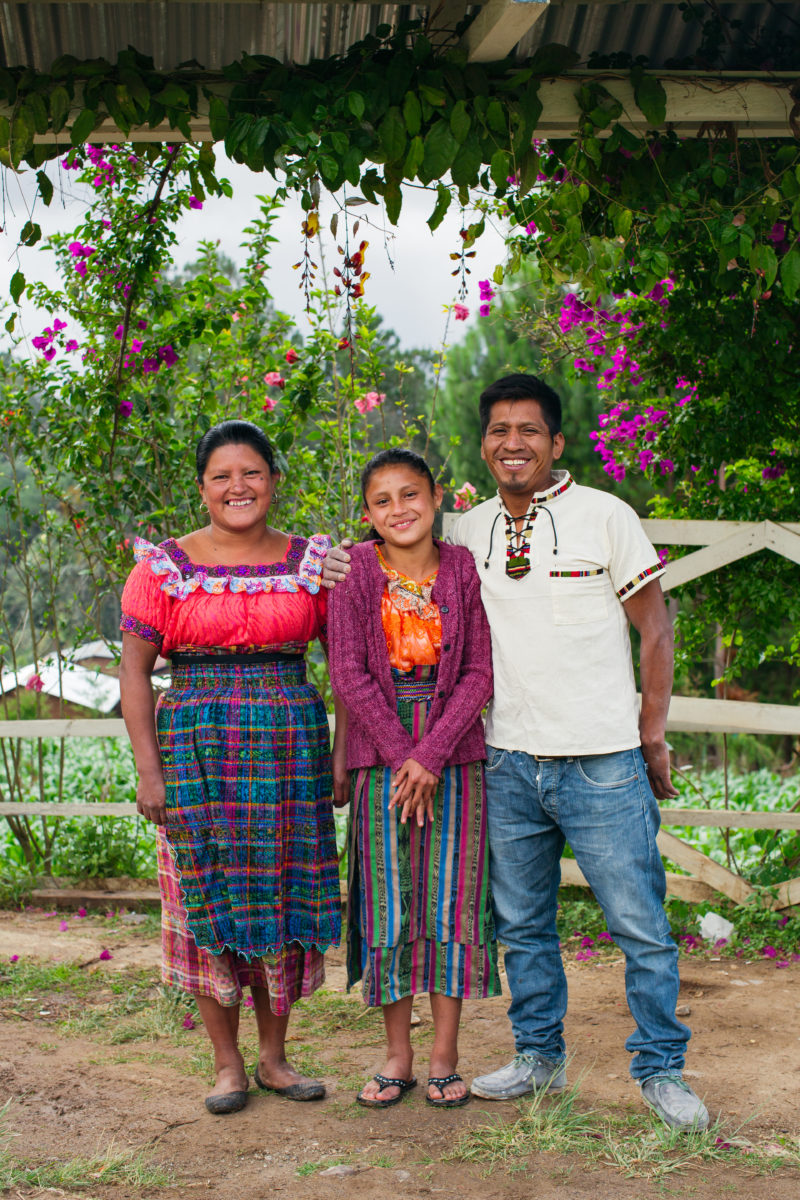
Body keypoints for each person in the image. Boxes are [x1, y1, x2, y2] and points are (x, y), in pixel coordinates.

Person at [323, 376, 709, 1131]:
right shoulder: (468, 531)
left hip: (601, 759)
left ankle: (661, 1070)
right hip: (504, 762)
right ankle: (538, 1056)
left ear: (556, 443)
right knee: (523, 926)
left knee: (639, 925)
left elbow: (656, 631)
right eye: (498, 430)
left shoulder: (606, 516)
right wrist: (337, 561)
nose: (513, 443)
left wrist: (651, 735)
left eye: (529, 430)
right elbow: (393, 548)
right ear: (482, 446)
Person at [119, 420, 342, 1115]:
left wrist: (339, 757)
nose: (237, 487)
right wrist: (149, 771)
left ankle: (275, 1059)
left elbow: (351, 665)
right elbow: (132, 679)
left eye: (251, 472)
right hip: (194, 749)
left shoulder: (314, 565)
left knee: (282, 896)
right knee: (202, 898)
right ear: (203, 487)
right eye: (222, 475)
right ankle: (226, 1065)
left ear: (274, 480)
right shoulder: (164, 569)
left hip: (290, 750)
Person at [328, 448, 499, 1109]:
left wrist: (431, 756)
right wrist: (405, 754)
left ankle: (444, 1056)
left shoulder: (461, 569)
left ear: (435, 499)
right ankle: (397, 1055)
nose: (399, 509)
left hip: (455, 750)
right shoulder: (353, 576)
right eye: (382, 500)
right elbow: (348, 672)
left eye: (411, 494)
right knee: (390, 901)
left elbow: (479, 672)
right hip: (381, 752)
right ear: (367, 513)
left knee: (453, 900)